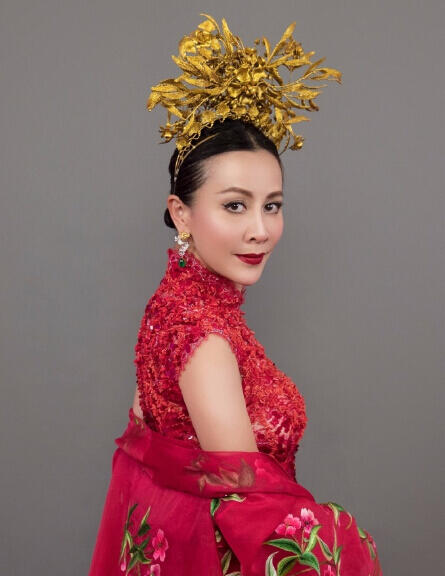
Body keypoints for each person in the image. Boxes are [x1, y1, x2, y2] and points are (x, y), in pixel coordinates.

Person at [88, 14, 382, 576]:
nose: (260, 230)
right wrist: (348, 540)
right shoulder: (203, 336)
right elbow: (249, 507)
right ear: (182, 213)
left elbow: (153, 454)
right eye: (234, 205)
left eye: (272, 205)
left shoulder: (171, 307)